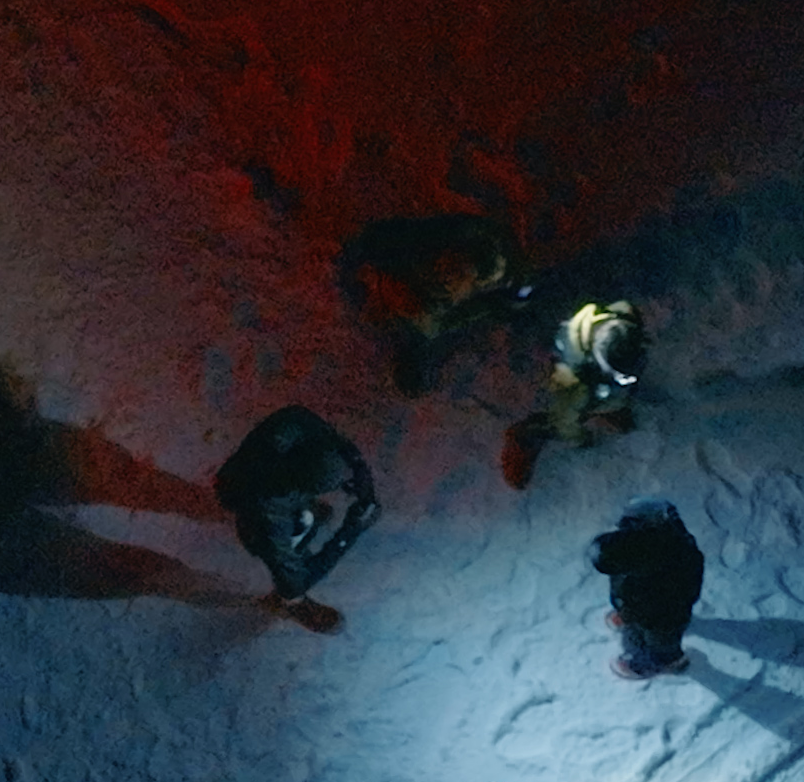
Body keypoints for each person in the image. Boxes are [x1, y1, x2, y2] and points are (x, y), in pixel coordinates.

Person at [212, 405, 379, 615]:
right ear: (303, 489)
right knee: (302, 528)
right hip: (250, 507)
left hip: (234, 475)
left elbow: (320, 431)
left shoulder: (288, 427)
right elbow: (295, 582)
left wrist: (356, 463)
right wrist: (351, 530)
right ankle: (288, 605)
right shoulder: (272, 516)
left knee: (314, 515)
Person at [341, 214, 532, 394]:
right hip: (399, 268)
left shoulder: (460, 296)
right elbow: (376, 242)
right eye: (449, 268)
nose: (447, 277)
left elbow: (458, 316)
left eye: (456, 275)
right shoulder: (424, 245)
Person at [500, 299, 646, 491]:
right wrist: (583, 440)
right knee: (566, 413)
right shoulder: (577, 384)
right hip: (566, 376)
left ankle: (614, 406)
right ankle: (525, 438)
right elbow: (565, 422)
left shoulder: (618, 327)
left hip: (583, 363)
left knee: (611, 396)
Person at [589, 495, 704, 680]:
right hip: (641, 604)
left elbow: (655, 605)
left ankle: (670, 662)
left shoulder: (674, 564)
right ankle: (627, 616)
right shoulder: (641, 540)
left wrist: (634, 614)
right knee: (635, 607)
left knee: (662, 640)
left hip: (663, 616)